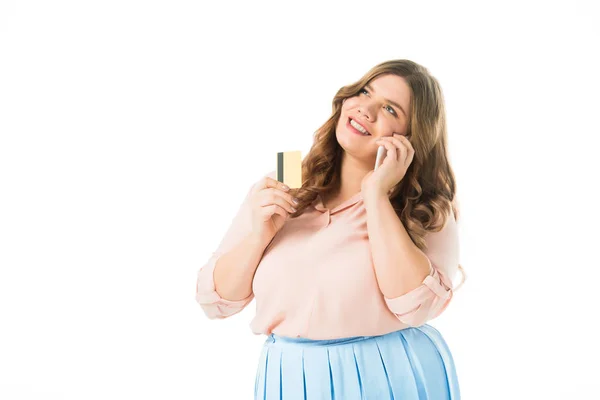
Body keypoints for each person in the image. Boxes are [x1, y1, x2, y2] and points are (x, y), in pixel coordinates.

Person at [195, 59, 467, 399]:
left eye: (389, 109)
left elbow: (414, 308)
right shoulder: (288, 172)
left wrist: (376, 195)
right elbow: (216, 302)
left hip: (383, 375)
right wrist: (260, 236)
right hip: (288, 377)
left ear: (410, 139)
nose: (365, 109)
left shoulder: (426, 203)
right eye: (365, 91)